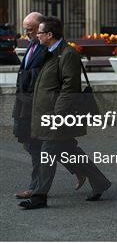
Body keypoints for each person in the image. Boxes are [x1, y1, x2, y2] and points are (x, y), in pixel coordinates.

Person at [18, 16, 111, 210]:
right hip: (47, 113)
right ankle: (100, 182)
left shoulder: (67, 54)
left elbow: (69, 88)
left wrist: (58, 116)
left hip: (57, 115)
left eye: (40, 32)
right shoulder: (49, 52)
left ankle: (39, 196)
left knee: (47, 154)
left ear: (49, 35)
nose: (37, 35)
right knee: (70, 151)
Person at [12, 12, 85, 200]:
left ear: (43, 29)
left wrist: (57, 112)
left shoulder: (49, 50)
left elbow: (61, 82)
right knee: (55, 146)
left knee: (41, 147)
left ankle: (35, 189)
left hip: (39, 106)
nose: (27, 33)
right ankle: (85, 172)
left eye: (31, 29)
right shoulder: (34, 44)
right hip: (26, 103)